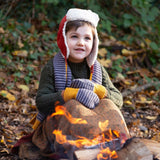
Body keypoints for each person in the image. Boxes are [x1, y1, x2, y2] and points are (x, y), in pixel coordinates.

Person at [11, 8, 130, 159]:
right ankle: (81, 148)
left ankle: (116, 143)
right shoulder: (52, 67)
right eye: (74, 37)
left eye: (87, 38)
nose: (81, 43)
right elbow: (41, 102)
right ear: (64, 39)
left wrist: (99, 91)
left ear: (94, 43)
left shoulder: (97, 69)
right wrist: (68, 94)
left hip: (95, 125)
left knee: (108, 104)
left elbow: (118, 100)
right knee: (74, 105)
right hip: (58, 126)